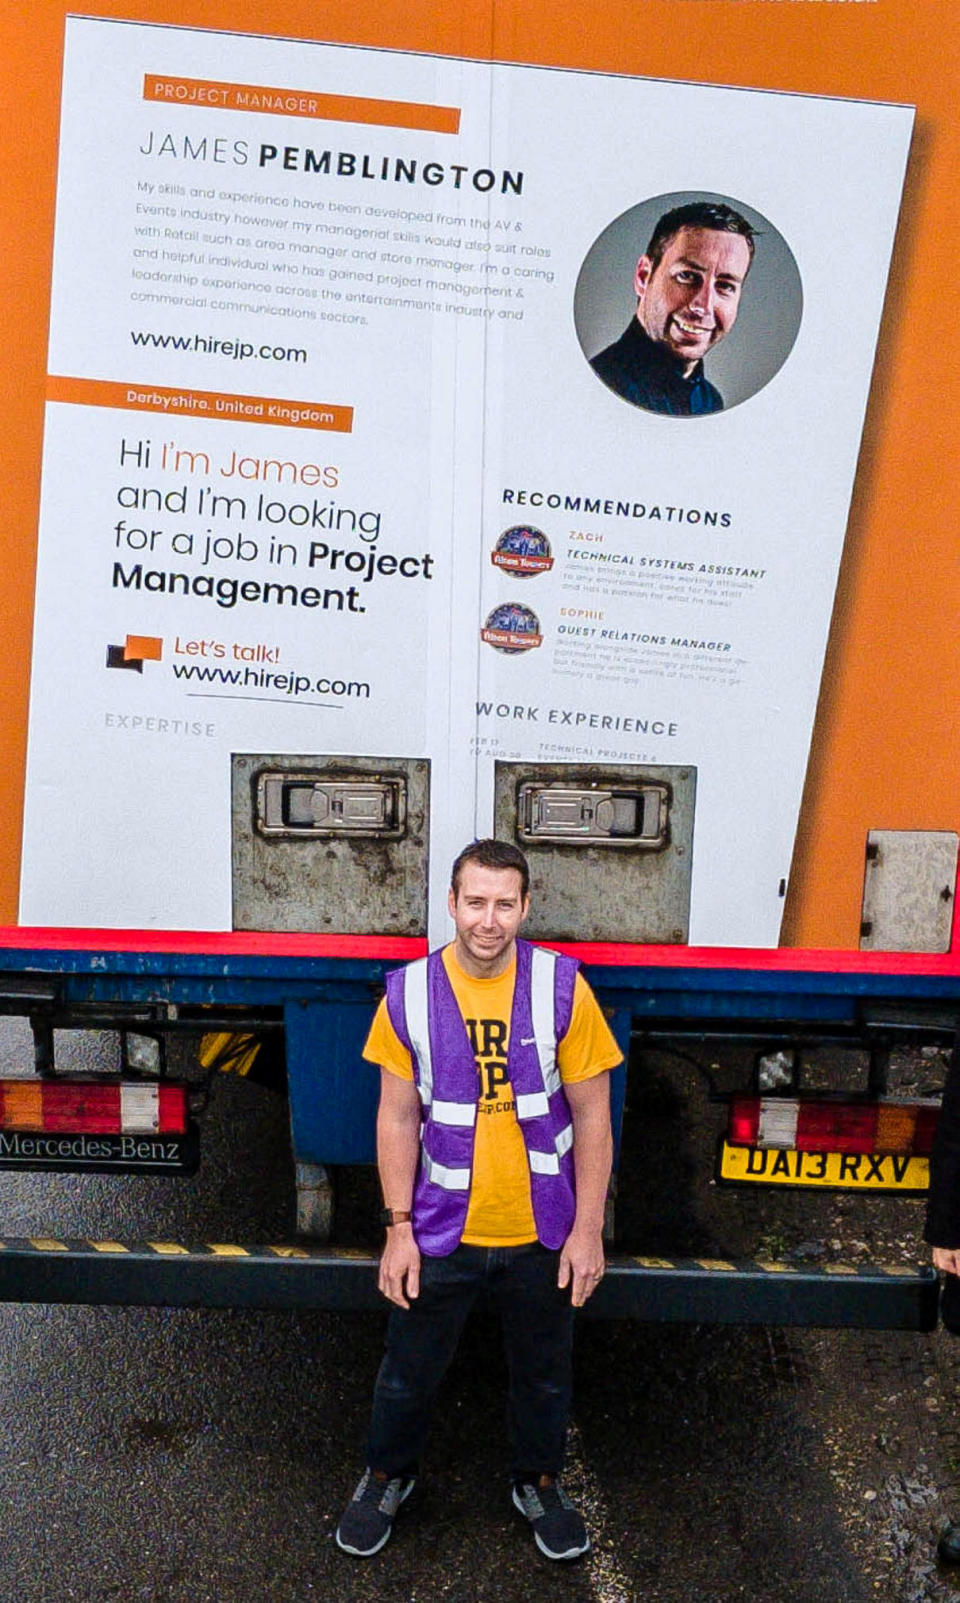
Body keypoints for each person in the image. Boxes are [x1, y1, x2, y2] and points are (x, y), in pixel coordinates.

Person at [335, 838, 623, 1561]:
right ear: (452, 904)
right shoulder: (409, 992)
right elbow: (396, 1117)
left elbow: (593, 1115)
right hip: (440, 1233)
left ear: (525, 907)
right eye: (474, 901)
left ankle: (540, 1481)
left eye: (503, 903)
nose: (487, 920)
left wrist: (588, 1228)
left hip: (541, 1231)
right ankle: (385, 1475)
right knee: (406, 1374)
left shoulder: (562, 986)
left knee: (544, 1376)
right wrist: (398, 1229)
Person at [590, 200, 756, 416]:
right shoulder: (599, 386)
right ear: (643, 277)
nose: (703, 306)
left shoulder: (710, 401)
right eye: (686, 276)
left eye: (725, 286)